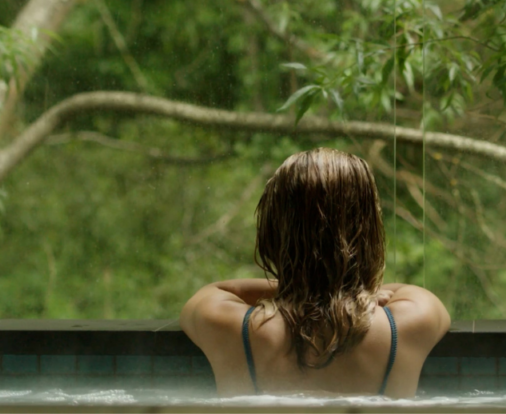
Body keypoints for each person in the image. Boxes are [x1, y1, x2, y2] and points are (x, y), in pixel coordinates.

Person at [180, 148, 450, 398]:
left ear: (273, 230)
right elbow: (403, 292)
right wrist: (344, 289)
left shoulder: (227, 325)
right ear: (368, 231)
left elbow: (218, 290)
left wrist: (299, 286)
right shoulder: (412, 321)